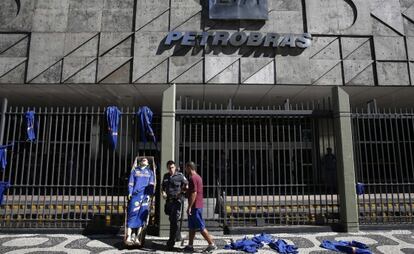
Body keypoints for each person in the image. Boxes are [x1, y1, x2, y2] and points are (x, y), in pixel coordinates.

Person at [183, 161, 217, 253]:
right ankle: (190, 245)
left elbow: (194, 193)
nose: (185, 170)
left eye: (186, 168)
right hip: (197, 205)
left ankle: (211, 244)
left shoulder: (193, 178)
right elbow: (193, 190)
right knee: (192, 227)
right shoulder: (198, 177)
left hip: (195, 206)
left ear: (189, 167)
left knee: (200, 226)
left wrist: (189, 206)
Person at [125, 157, 155, 246]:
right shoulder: (134, 171)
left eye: (146, 159)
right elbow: (131, 183)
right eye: (142, 159)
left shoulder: (150, 172)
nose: (144, 159)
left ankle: (138, 237)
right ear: (140, 162)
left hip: (145, 196)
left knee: (142, 216)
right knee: (132, 214)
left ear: (148, 163)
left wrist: (149, 195)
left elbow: (151, 185)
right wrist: (130, 192)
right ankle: (129, 236)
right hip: (135, 196)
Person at [161, 160, 188, 250]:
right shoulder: (166, 176)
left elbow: (186, 185)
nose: (171, 169)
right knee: (172, 219)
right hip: (168, 201)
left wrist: (181, 192)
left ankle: (170, 242)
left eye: (172, 167)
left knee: (173, 220)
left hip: (177, 201)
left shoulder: (180, 176)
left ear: (175, 167)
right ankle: (178, 236)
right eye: (169, 168)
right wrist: (163, 193)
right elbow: (163, 187)